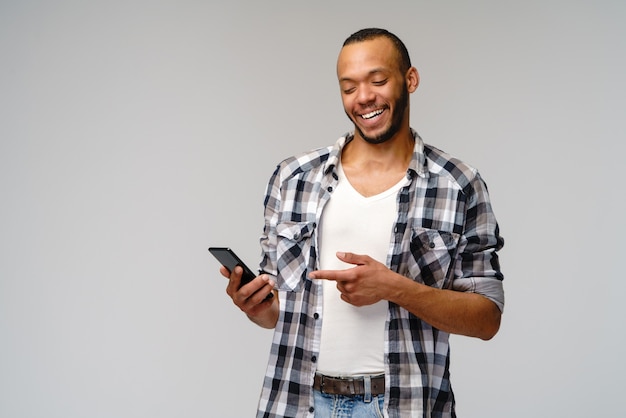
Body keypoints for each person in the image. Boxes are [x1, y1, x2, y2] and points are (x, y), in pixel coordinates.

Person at [220, 27, 504, 418]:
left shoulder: (458, 183)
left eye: (378, 80)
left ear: (410, 79)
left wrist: (397, 289)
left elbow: (487, 318)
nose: (364, 97)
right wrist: (256, 306)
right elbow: (277, 314)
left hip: (404, 406)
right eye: (349, 86)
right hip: (299, 403)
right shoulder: (293, 178)